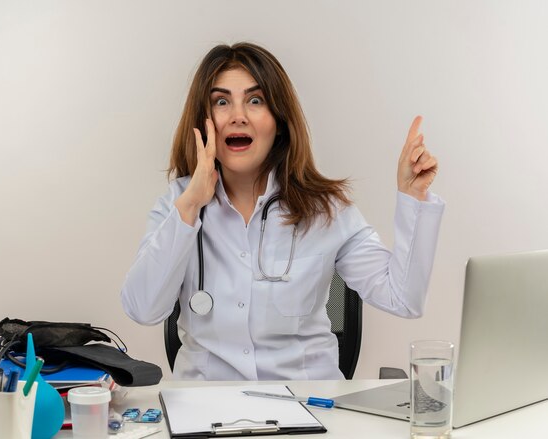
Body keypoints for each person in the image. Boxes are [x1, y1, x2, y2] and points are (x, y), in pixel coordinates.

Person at [121, 42, 444, 381]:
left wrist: (413, 198)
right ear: (203, 122)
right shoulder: (178, 204)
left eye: (255, 100)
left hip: (309, 407)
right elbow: (143, 309)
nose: (237, 115)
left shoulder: (326, 210)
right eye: (221, 101)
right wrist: (189, 206)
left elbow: (403, 299)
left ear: (279, 119)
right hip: (208, 411)